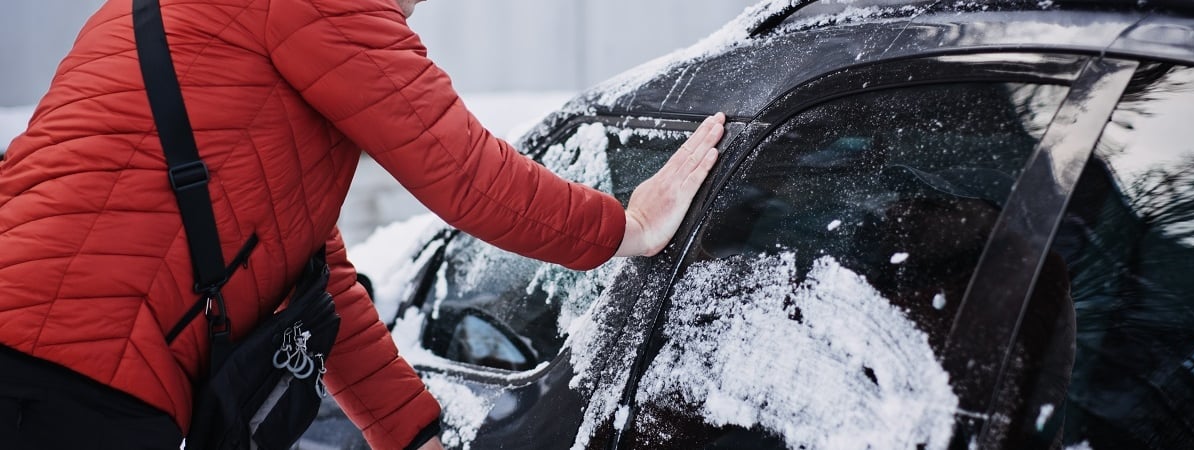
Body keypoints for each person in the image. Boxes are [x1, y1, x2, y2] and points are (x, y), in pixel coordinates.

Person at [0, 0, 726, 448]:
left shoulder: (219, 28)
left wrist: (407, 433)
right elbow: (467, 173)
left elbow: (311, 280)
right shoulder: (324, 3)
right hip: (69, 375)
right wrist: (626, 227)